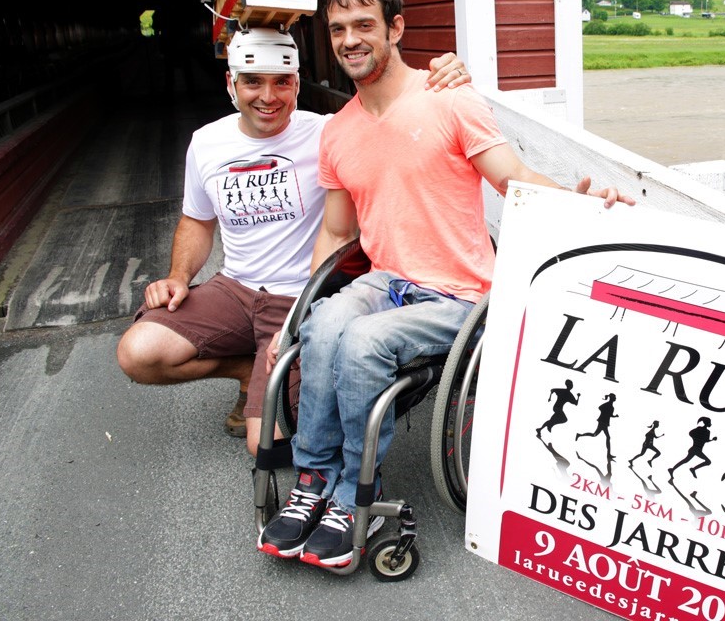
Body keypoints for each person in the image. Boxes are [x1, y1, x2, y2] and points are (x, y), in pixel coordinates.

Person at [256, 0, 634, 568]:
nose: (350, 39)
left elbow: (515, 181)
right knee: (323, 326)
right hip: (387, 280)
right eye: (337, 30)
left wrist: (585, 200)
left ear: (396, 28)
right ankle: (313, 483)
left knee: (361, 342)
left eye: (364, 25)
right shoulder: (339, 132)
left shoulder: (450, 98)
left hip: (460, 293)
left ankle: (358, 491)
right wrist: (294, 316)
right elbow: (336, 229)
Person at [115, 24, 469, 452]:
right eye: (252, 82)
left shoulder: (329, 131)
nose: (268, 97)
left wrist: (443, 77)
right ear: (231, 83)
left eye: (281, 81)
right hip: (235, 288)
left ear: (297, 84)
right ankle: (248, 371)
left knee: (264, 444)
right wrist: (177, 275)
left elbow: (392, 110)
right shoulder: (206, 143)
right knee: (138, 352)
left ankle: (284, 383)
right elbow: (196, 221)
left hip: (297, 298)